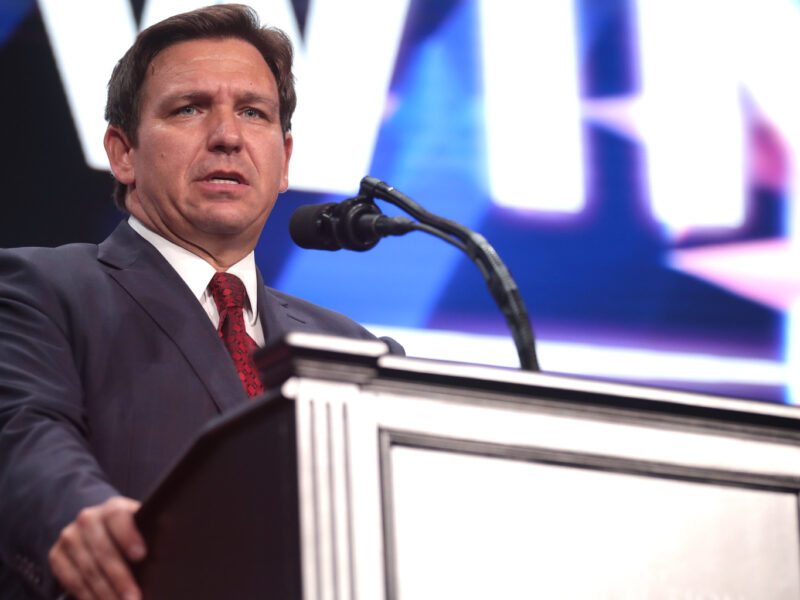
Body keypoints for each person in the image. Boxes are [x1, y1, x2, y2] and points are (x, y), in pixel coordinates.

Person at [0, 5, 401, 599]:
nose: (228, 136)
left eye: (253, 113)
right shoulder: (41, 290)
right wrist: (82, 516)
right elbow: (23, 430)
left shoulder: (354, 349)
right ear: (123, 153)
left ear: (286, 158)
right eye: (188, 108)